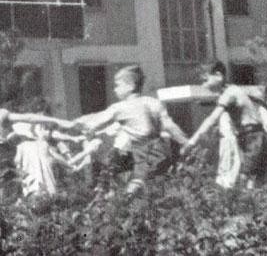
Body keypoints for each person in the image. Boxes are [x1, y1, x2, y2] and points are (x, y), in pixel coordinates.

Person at [76, 65, 188, 194]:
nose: (114, 89)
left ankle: (111, 197)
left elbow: (93, 123)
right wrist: (186, 142)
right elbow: (170, 126)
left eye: (118, 85)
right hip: (160, 153)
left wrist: (87, 129)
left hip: (141, 154)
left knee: (126, 187)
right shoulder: (154, 102)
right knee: (153, 189)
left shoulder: (120, 107)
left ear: (130, 86)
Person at [183, 61, 267, 189]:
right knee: (247, 179)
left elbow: (212, 119)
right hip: (249, 135)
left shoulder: (229, 93)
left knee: (246, 179)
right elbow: (253, 99)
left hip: (253, 137)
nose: (203, 85)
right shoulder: (231, 90)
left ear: (218, 75)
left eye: (205, 80)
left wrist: (192, 141)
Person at [14, 124, 67, 198]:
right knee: (49, 195)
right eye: (42, 129)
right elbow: (56, 156)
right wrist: (69, 164)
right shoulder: (44, 144)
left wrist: (19, 170)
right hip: (45, 177)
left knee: (33, 195)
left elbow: (17, 161)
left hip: (31, 178)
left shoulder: (22, 146)